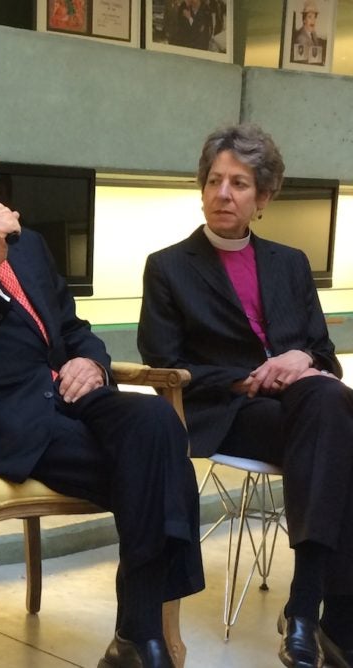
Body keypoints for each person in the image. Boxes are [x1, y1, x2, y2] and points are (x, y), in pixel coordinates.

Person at [0, 111, 204, 668]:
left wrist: (91, 363)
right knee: (157, 473)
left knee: (158, 425)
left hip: (69, 401)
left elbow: (73, 328)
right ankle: (142, 636)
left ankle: (134, 633)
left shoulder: (27, 242)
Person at [138, 123, 353, 668]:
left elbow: (322, 353)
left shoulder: (290, 262)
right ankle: (318, 612)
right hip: (225, 411)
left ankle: (312, 615)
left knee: (326, 406)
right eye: (214, 181)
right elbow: (163, 364)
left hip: (302, 411)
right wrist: (251, 377)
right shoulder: (168, 267)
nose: (222, 194)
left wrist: (301, 360)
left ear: (263, 198)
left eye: (238, 183)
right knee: (333, 416)